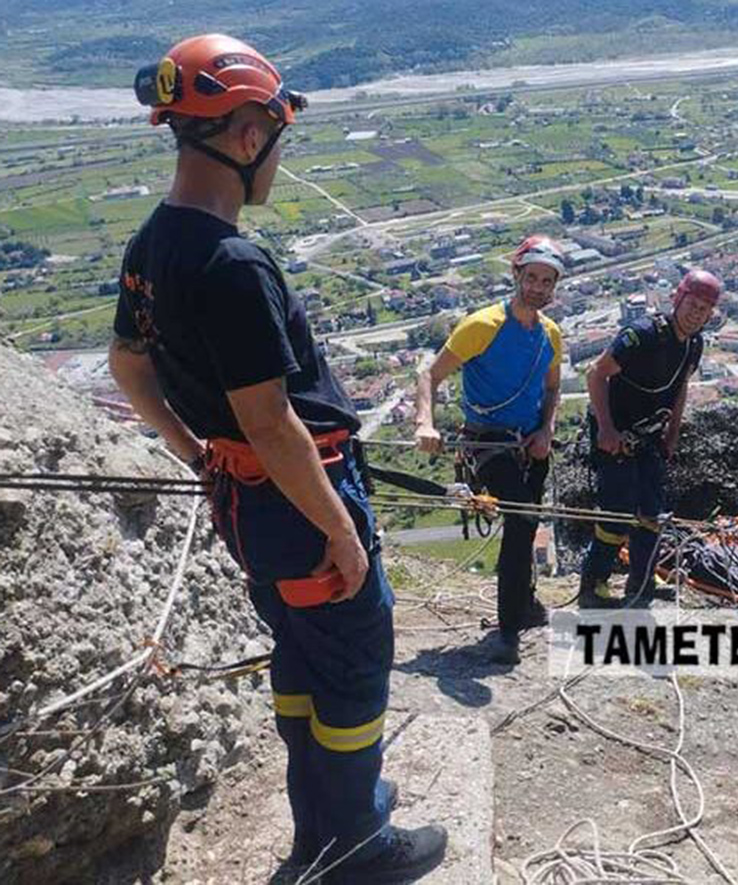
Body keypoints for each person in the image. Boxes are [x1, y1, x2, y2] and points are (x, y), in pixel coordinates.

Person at [109, 34, 445, 882]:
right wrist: (342, 531)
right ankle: (355, 842)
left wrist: (194, 452)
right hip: (298, 497)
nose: (277, 159)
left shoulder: (153, 243)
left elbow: (129, 367)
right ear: (248, 135)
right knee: (355, 663)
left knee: (300, 655)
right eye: (276, 138)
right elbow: (272, 423)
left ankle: (333, 806)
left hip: (243, 500)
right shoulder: (231, 263)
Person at [415, 234, 563, 664]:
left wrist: (546, 430)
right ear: (516, 275)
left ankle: (527, 603)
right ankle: (508, 628)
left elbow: (552, 389)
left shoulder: (550, 334)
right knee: (521, 519)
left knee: (527, 522)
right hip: (486, 441)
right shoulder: (482, 326)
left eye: (547, 281)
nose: (538, 287)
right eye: (532, 277)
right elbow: (430, 375)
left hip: (530, 442)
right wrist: (425, 422)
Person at [578, 269, 721, 607]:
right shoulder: (642, 334)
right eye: (692, 304)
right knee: (617, 510)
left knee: (652, 514)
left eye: (704, 309)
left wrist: (673, 434)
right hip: (616, 432)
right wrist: (607, 429)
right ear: (677, 299)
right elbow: (596, 374)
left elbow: (680, 387)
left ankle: (640, 583)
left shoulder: (693, 345)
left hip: (651, 435)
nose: (695, 313)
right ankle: (592, 585)